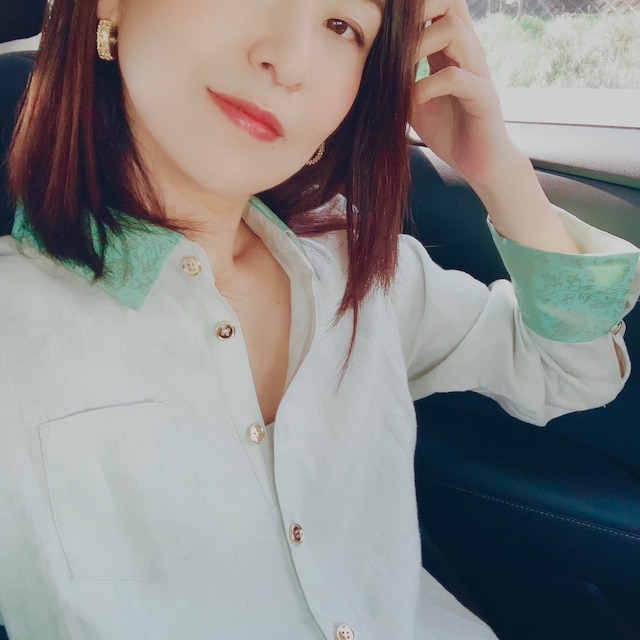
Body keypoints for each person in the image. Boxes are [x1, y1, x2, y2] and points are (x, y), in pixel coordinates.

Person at [0, 0, 638, 638]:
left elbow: (574, 370)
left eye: (342, 26)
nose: (289, 61)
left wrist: (496, 168)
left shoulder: (354, 267)